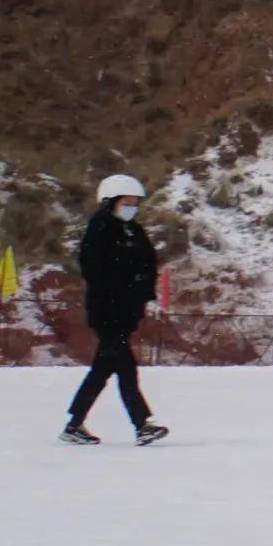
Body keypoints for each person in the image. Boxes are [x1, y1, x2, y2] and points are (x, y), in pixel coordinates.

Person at [63, 175, 167, 447]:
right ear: (110, 202)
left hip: (126, 314)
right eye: (126, 202)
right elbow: (96, 270)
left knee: (102, 370)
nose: (132, 207)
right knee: (127, 369)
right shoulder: (100, 230)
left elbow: (148, 264)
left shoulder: (134, 231)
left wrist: (141, 291)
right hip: (106, 313)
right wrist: (126, 282)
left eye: (135, 203)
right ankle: (142, 424)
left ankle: (74, 424)